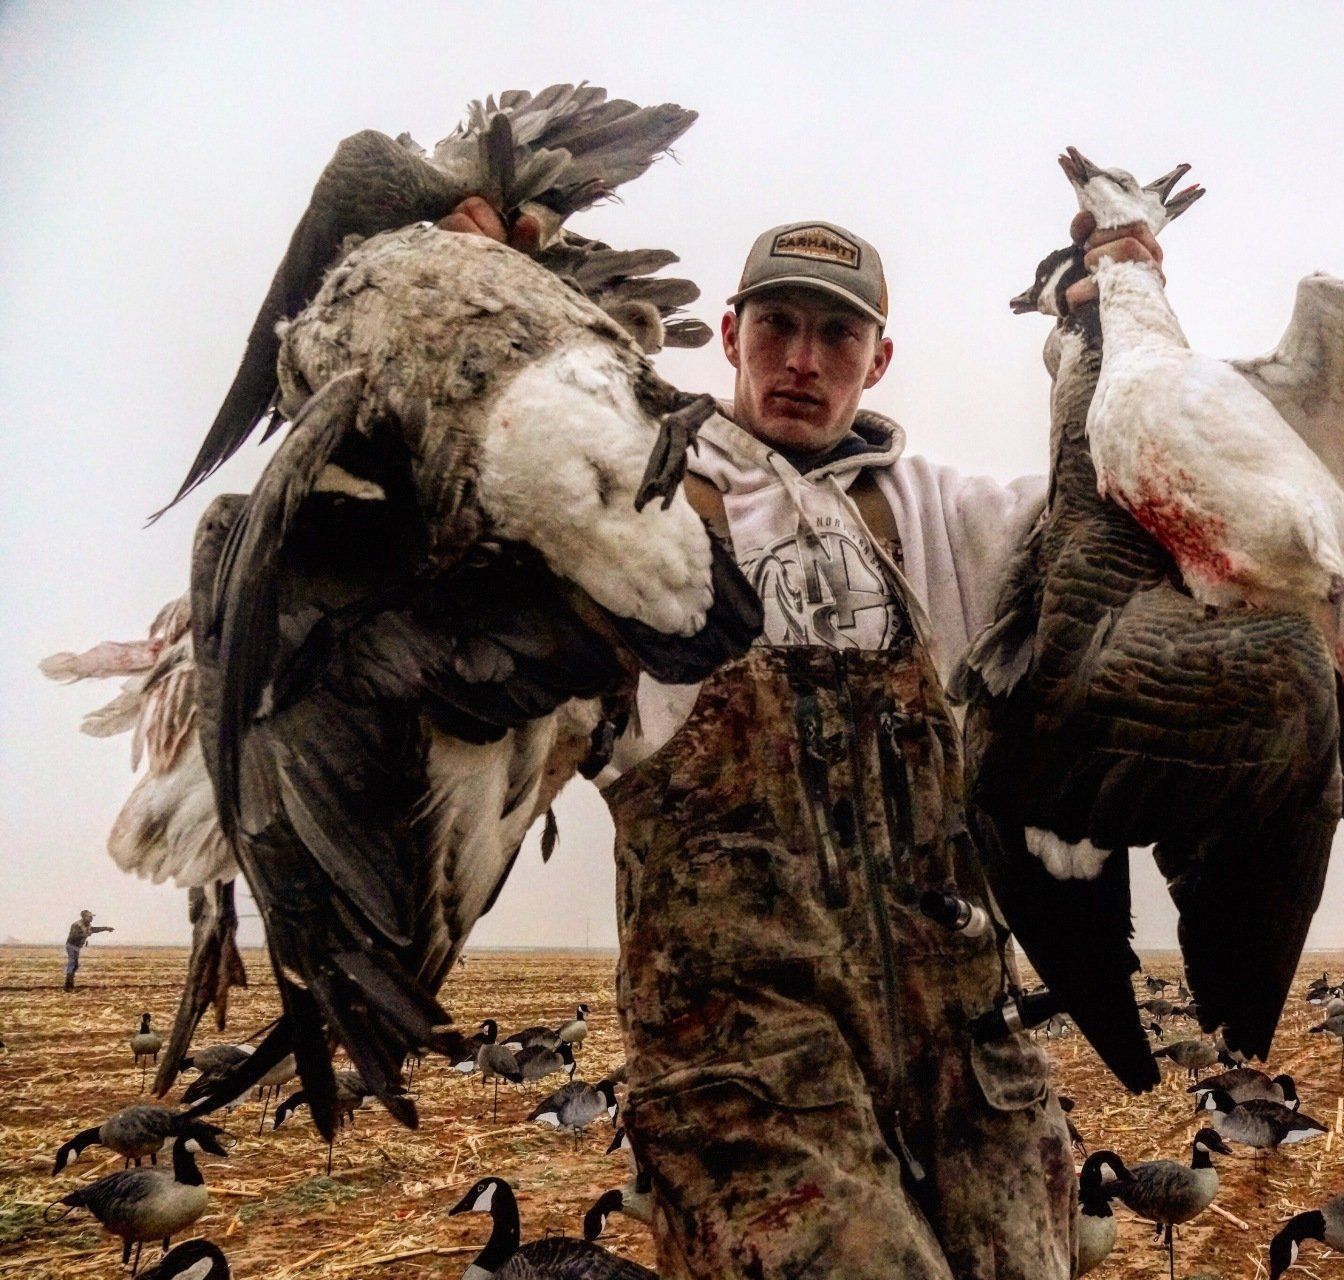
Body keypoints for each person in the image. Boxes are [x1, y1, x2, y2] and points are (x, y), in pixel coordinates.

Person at [439, 198, 1162, 1278]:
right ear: (728, 336)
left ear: (878, 359)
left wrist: (1117, 317)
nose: (802, 360)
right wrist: (468, 304)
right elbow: (463, 527)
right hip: (748, 1057)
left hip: (965, 1058)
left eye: (838, 335)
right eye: (776, 325)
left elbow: (1127, 505)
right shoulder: (629, 503)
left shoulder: (939, 515)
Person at [64, 909, 113, 991]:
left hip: (77, 947)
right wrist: (86, 934)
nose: (91, 918)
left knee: (75, 965)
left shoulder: (87, 925)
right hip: (72, 946)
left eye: (91, 917)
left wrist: (105, 928)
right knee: (72, 964)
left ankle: (69, 984)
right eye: (89, 917)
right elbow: (74, 936)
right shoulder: (76, 925)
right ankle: (68, 986)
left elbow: (94, 929)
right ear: (84, 917)